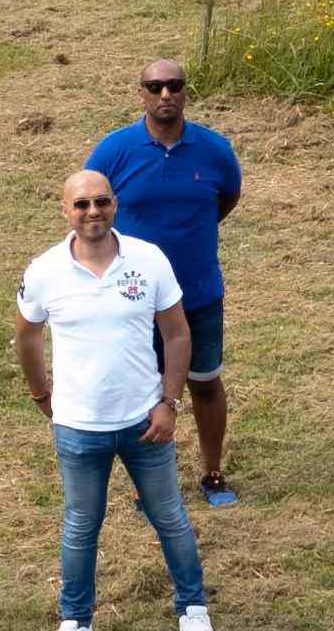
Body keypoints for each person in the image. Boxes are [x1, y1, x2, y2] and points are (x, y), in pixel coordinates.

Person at [13, 165, 211, 631]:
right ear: (65, 211)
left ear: (114, 205)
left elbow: (178, 334)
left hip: (146, 422)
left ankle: (193, 608)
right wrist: (42, 396)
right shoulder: (43, 271)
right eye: (81, 204)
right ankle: (75, 622)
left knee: (170, 518)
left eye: (101, 202)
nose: (92, 212)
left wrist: (169, 403)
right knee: (81, 525)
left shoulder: (149, 260)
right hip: (78, 427)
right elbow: (28, 336)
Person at [83, 54, 244, 503]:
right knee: (145, 389)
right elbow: (88, 203)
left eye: (174, 86)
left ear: (186, 91)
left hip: (199, 292)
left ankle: (213, 473)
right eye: (155, 87)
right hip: (135, 298)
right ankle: (153, 482)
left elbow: (226, 198)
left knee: (205, 382)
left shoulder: (214, 149)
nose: (166, 95)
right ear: (141, 94)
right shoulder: (115, 149)